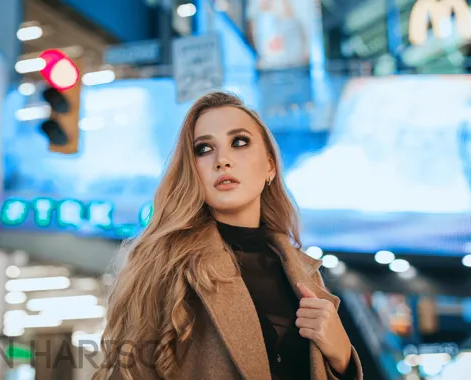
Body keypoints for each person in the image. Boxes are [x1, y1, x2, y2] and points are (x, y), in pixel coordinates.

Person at [93, 91, 362, 380]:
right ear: (192, 171)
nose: (222, 160)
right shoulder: (164, 266)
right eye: (204, 149)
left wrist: (343, 358)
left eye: (239, 142)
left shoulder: (305, 274)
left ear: (270, 166)